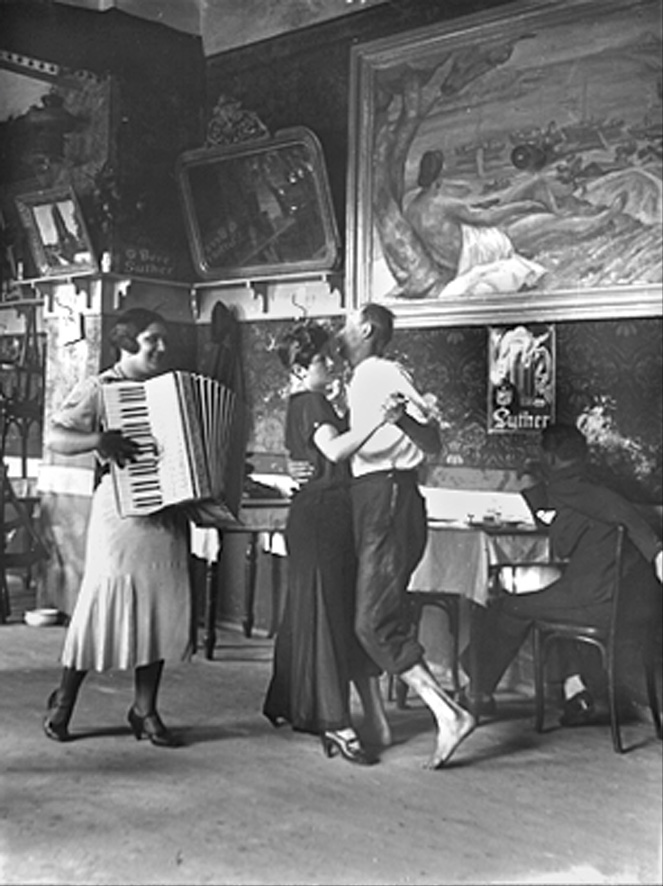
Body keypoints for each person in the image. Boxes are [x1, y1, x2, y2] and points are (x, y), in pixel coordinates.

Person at [42, 308, 192, 747]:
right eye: (152, 339)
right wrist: (97, 440)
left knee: (158, 609)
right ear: (127, 342)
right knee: (98, 604)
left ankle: (145, 710)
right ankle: (63, 702)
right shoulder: (100, 388)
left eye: (164, 339)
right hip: (121, 514)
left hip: (167, 512)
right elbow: (55, 436)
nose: (162, 347)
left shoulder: (172, 390)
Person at [337, 303, 476, 769]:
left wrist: (400, 421)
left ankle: (449, 714)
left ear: (366, 329)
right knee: (374, 616)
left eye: (347, 323)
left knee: (371, 621)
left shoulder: (382, 372)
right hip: (376, 496)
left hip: (389, 495)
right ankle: (430, 714)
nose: (341, 330)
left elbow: (432, 441)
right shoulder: (362, 376)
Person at [462, 422, 663, 724]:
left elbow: (563, 544)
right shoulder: (593, 487)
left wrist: (535, 487)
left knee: (509, 607)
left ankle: (478, 691)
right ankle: (575, 689)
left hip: (594, 599)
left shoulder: (567, 490)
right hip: (618, 600)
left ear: (550, 458)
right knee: (548, 608)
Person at [263, 320, 396, 765]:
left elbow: (319, 454)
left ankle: (299, 703)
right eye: (321, 359)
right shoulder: (311, 401)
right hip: (321, 517)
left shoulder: (307, 401)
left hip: (326, 515)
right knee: (327, 616)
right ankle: (336, 722)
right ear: (301, 369)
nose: (330, 364)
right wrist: (379, 421)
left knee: (323, 612)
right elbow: (336, 451)